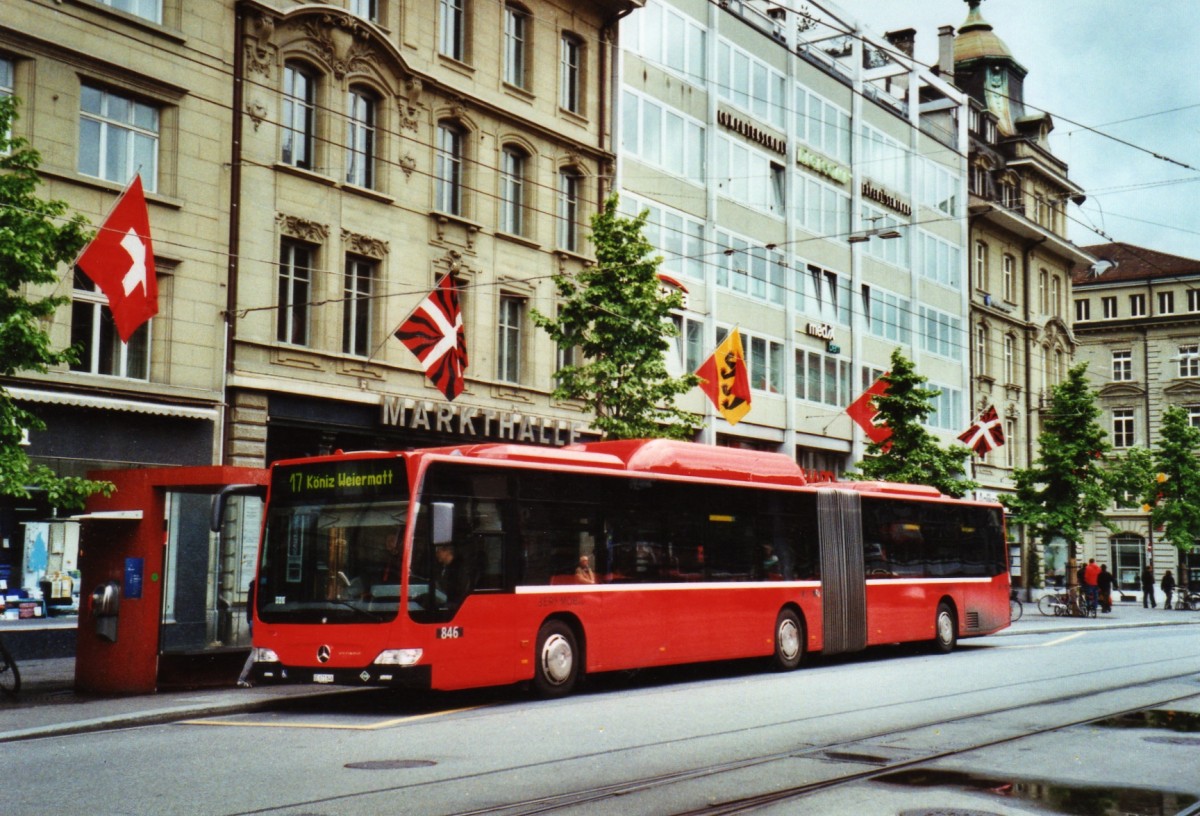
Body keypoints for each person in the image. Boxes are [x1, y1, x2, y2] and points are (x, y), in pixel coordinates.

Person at [433, 542, 470, 608]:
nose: (436, 554)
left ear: (447, 551)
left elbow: (458, 590)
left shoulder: (458, 569)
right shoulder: (443, 567)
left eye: (438, 550)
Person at [237, 580, 255, 688]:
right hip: (256, 622)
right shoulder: (260, 585)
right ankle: (242, 678)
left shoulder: (252, 586)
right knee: (255, 650)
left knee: (256, 650)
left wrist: (250, 621)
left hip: (252, 621)